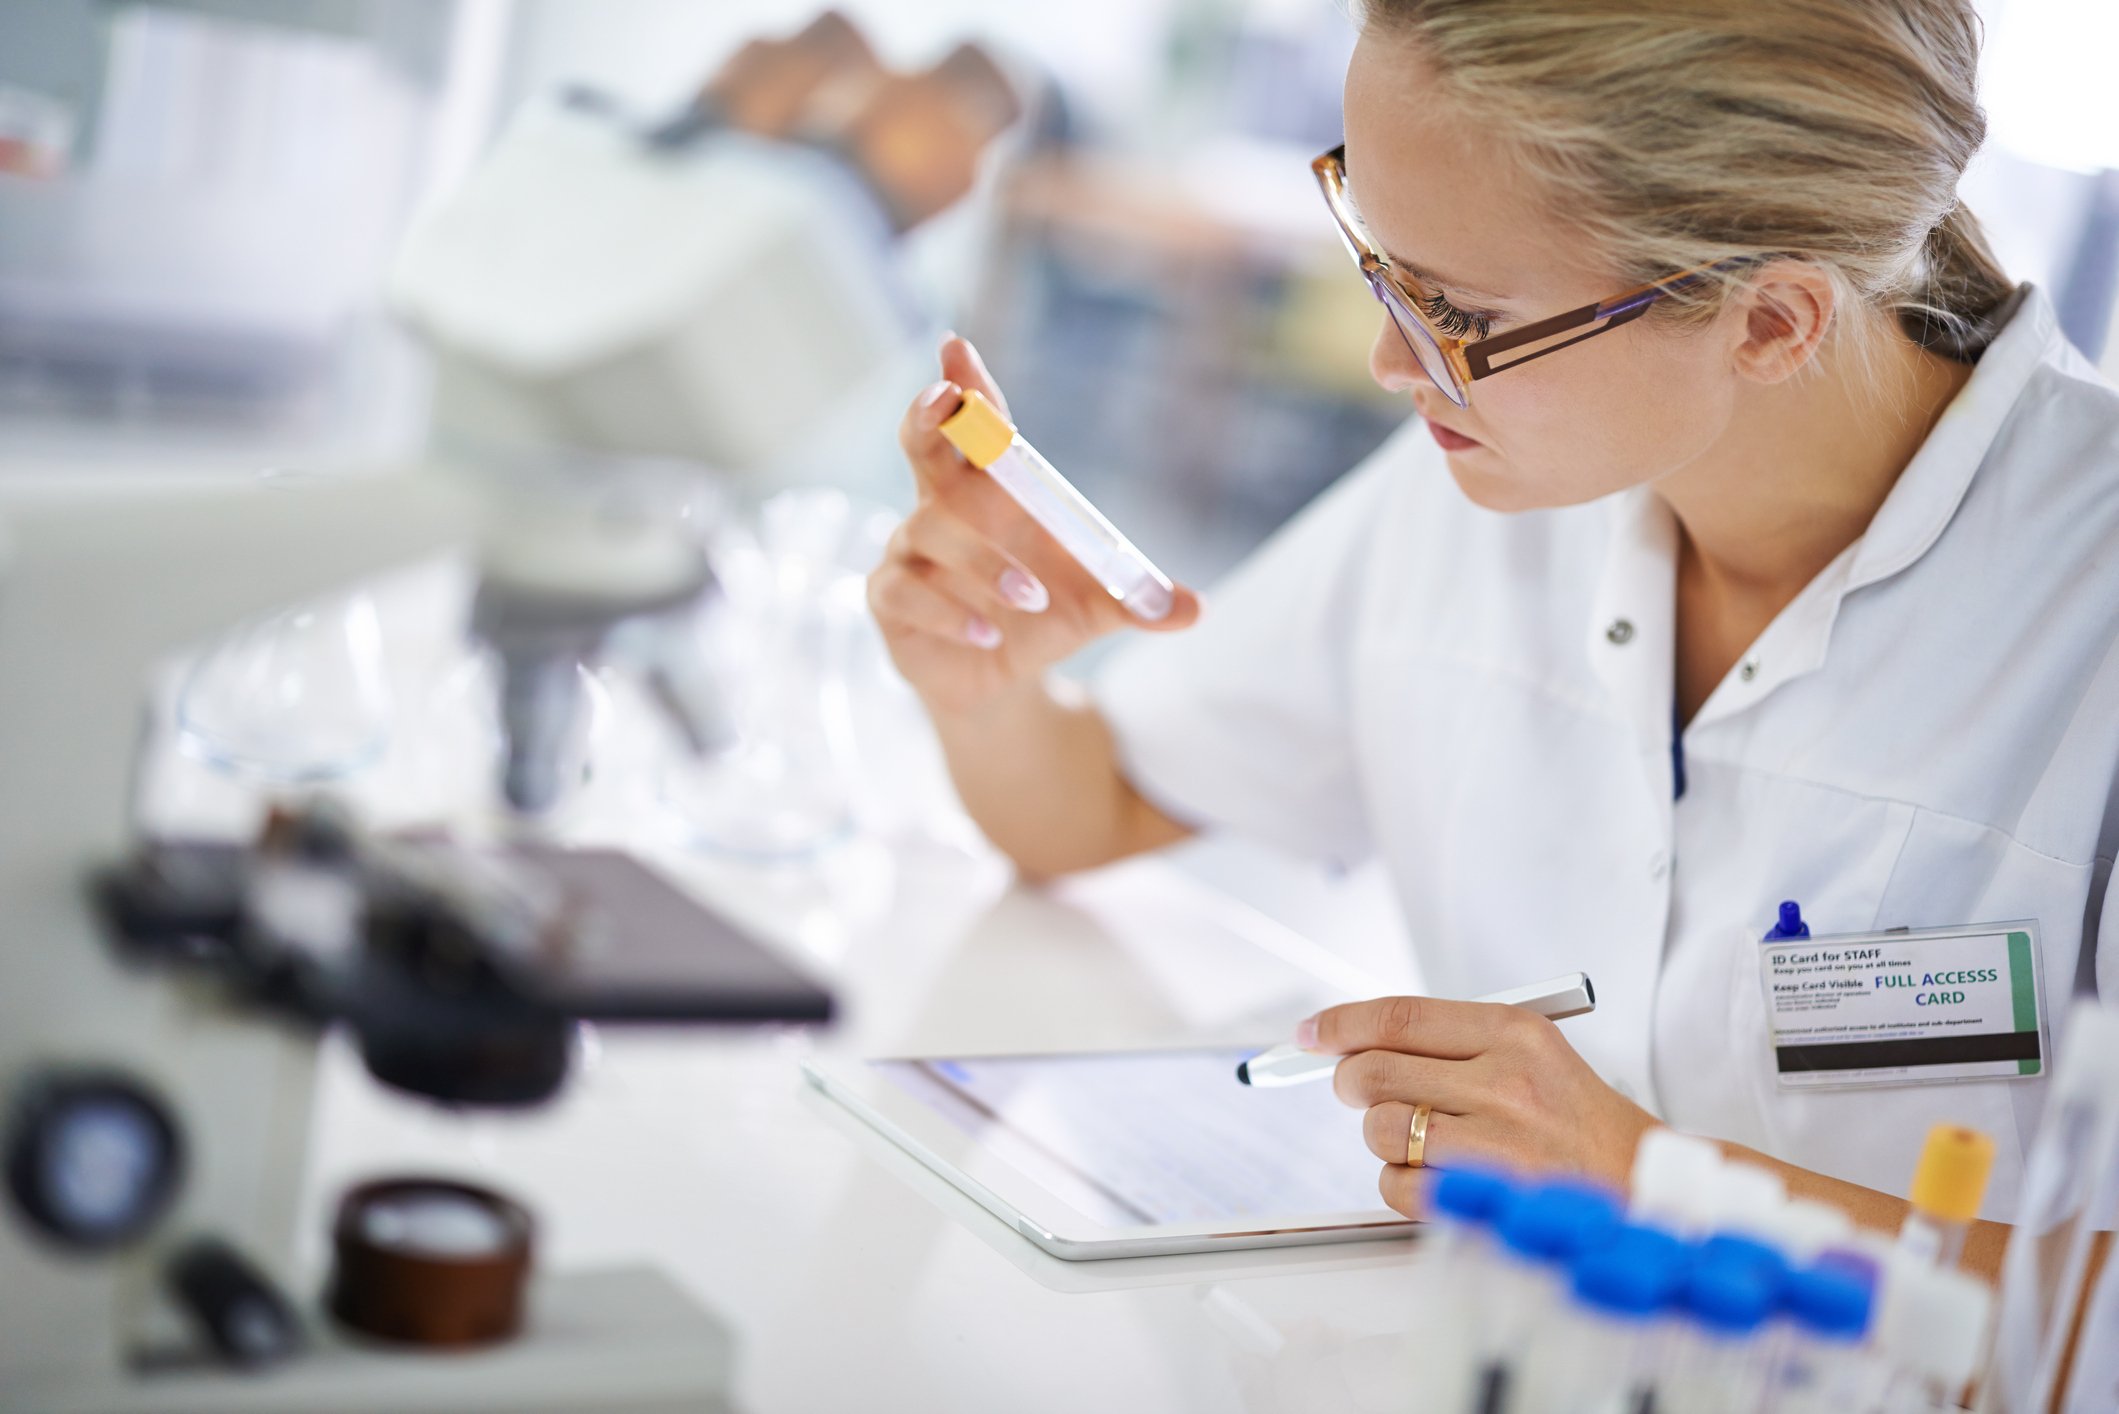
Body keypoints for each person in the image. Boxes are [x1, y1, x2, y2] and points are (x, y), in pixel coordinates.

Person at [866, 0, 2119, 1279]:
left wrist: (1645, 1177)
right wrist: (986, 676)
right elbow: (1087, 804)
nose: (1387, 359)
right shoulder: (1494, 477)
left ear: (1772, 322)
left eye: (1454, 312)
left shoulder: (2088, 613)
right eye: (1381, 264)